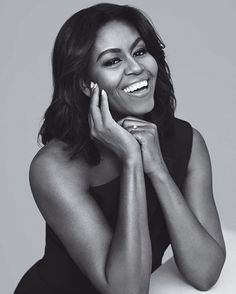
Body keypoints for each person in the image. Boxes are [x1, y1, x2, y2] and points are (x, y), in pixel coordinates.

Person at [14, 3, 226, 294]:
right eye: (113, 61)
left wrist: (158, 169)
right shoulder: (55, 167)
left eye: (139, 52)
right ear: (87, 84)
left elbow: (205, 273)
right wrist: (132, 160)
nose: (137, 67)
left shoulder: (188, 142)